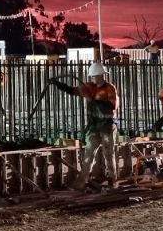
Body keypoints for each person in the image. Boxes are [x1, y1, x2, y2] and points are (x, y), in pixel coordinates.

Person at [51, 62, 119, 190]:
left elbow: (112, 107)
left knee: (108, 154)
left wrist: (94, 101)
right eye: (92, 77)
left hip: (107, 125)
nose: (93, 79)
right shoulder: (88, 87)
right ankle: (82, 182)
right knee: (88, 155)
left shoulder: (110, 88)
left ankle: (113, 180)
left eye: (95, 76)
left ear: (101, 76)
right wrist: (58, 85)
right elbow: (72, 90)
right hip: (94, 125)